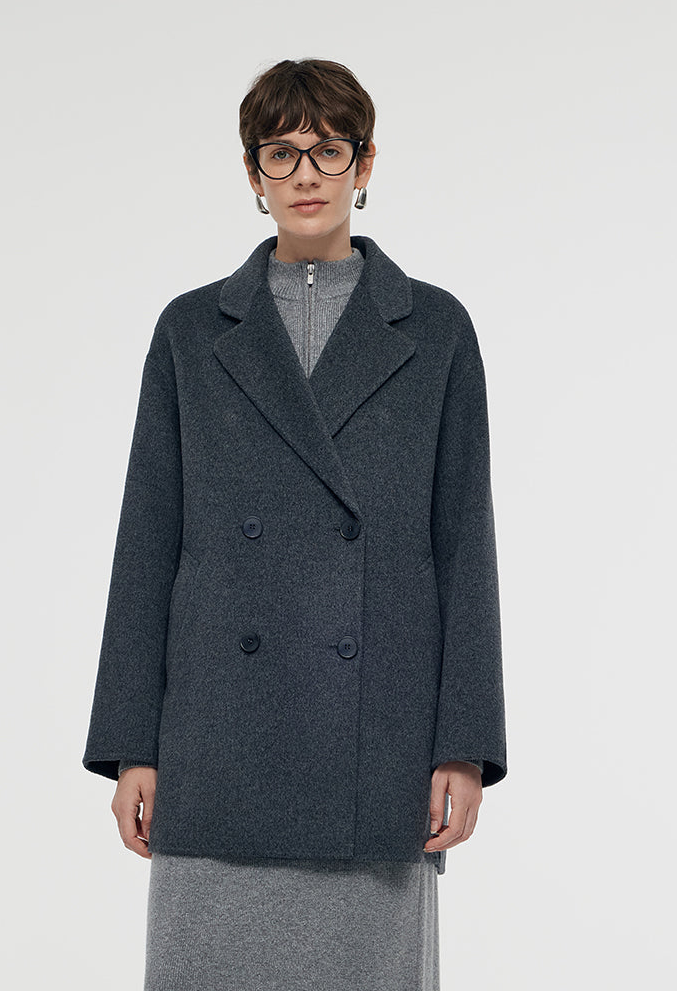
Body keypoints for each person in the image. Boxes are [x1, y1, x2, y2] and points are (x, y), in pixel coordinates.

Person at [83, 58, 507, 991]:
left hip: (378, 737)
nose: (305, 174)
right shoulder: (192, 331)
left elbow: (464, 548)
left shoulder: (435, 331)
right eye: (280, 153)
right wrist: (132, 746)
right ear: (252, 173)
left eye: (328, 150)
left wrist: (464, 745)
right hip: (217, 737)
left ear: (365, 164)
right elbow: (147, 543)